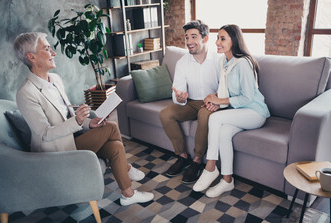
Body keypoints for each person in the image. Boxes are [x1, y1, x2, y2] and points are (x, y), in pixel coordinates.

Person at [13, 32, 154, 206]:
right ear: (31, 56)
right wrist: (78, 122)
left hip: (73, 138)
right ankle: (125, 168)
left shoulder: (55, 80)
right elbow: (45, 134)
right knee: (110, 128)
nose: (54, 53)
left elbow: (68, 115)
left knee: (116, 146)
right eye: (47, 48)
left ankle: (128, 194)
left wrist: (88, 122)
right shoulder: (26, 93)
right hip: (55, 151)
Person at [192, 24, 270, 197]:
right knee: (224, 132)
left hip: (254, 113)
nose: (217, 42)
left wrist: (219, 101)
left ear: (234, 41)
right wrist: (215, 102)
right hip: (238, 112)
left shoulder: (243, 63)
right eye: (217, 38)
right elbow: (224, 90)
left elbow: (247, 98)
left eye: (222, 38)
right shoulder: (223, 61)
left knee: (215, 119)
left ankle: (210, 167)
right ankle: (227, 180)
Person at [159, 20, 220, 184]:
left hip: (212, 102)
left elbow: (226, 87)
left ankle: (197, 160)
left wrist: (217, 101)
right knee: (166, 114)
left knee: (205, 115)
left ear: (205, 38)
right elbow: (178, 91)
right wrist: (180, 98)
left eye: (194, 37)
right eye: (186, 38)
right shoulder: (182, 62)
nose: (189, 42)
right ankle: (182, 156)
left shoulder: (219, 60)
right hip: (191, 103)